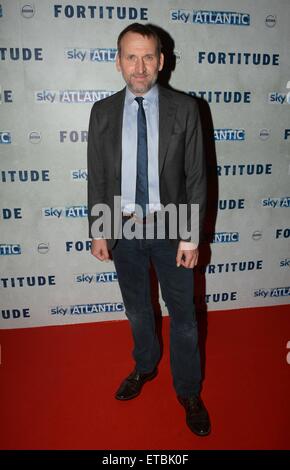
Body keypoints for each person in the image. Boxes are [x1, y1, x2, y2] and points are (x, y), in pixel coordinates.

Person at [87, 23, 210, 437]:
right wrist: (100, 230)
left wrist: (190, 236)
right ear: (118, 61)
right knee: (138, 309)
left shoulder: (186, 108)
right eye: (130, 57)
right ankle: (144, 367)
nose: (139, 66)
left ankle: (189, 391)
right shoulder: (102, 112)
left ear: (161, 61)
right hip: (122, 228)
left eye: (147, 57)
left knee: (185, 318)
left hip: (173, 227)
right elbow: (98, 176)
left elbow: (196, 177)